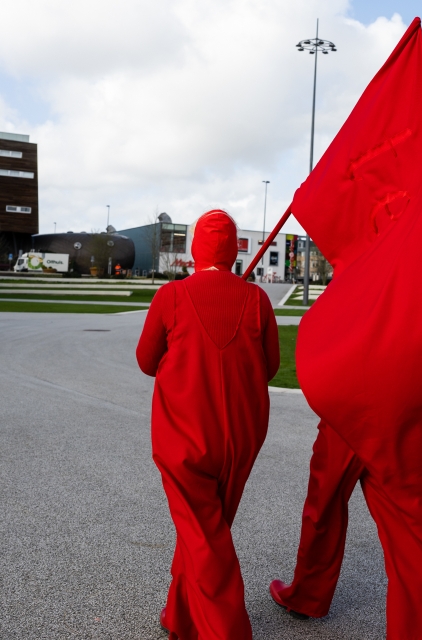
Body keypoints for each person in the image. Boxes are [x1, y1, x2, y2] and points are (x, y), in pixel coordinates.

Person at [136, 210, 280, 639]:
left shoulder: (172, 296)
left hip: (185, 435)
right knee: (204, 531)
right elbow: (270, 368)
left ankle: (226, 630)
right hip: (240, 437)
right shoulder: (256, 299)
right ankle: (180, 615)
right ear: (235, 249)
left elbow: (146, 362)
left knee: (204, 536)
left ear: (196, 248)